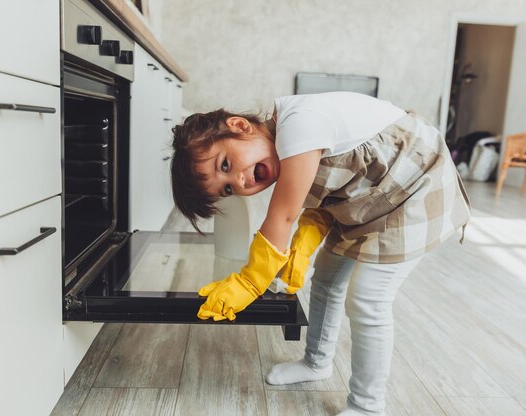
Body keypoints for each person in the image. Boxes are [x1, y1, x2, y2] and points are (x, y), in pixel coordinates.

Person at [170, 92, 470, 416]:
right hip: (370, 198)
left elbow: (282, 216)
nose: (239, 181)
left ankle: (368, 406)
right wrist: (303, 244)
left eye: (226, 164)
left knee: (369, 298)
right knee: (326, 277)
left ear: (240, 126)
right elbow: (324, 196)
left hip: (413, 183)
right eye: (227, 188)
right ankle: (316, 362)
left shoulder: (298, 125)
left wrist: (250, 281)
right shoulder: (287, 148)